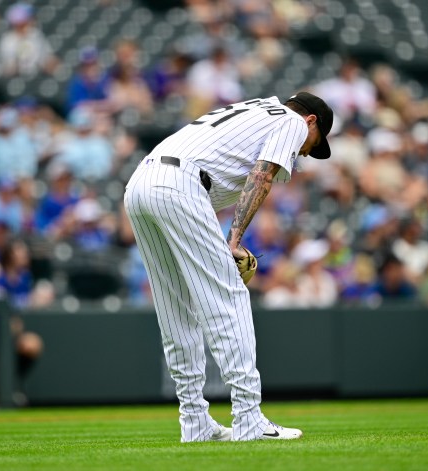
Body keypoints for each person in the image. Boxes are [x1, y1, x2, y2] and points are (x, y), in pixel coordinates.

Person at [123, 92, 333, 442]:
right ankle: (248, 418)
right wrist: (233, 239)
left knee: (176, 309)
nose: (307, 152)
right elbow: (262, 176)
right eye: (315, 142)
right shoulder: (292, 121)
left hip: (142, 183)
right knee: (229, 297)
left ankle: (194, 422)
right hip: (179, 184)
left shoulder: (256, 109)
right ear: (311, 121)